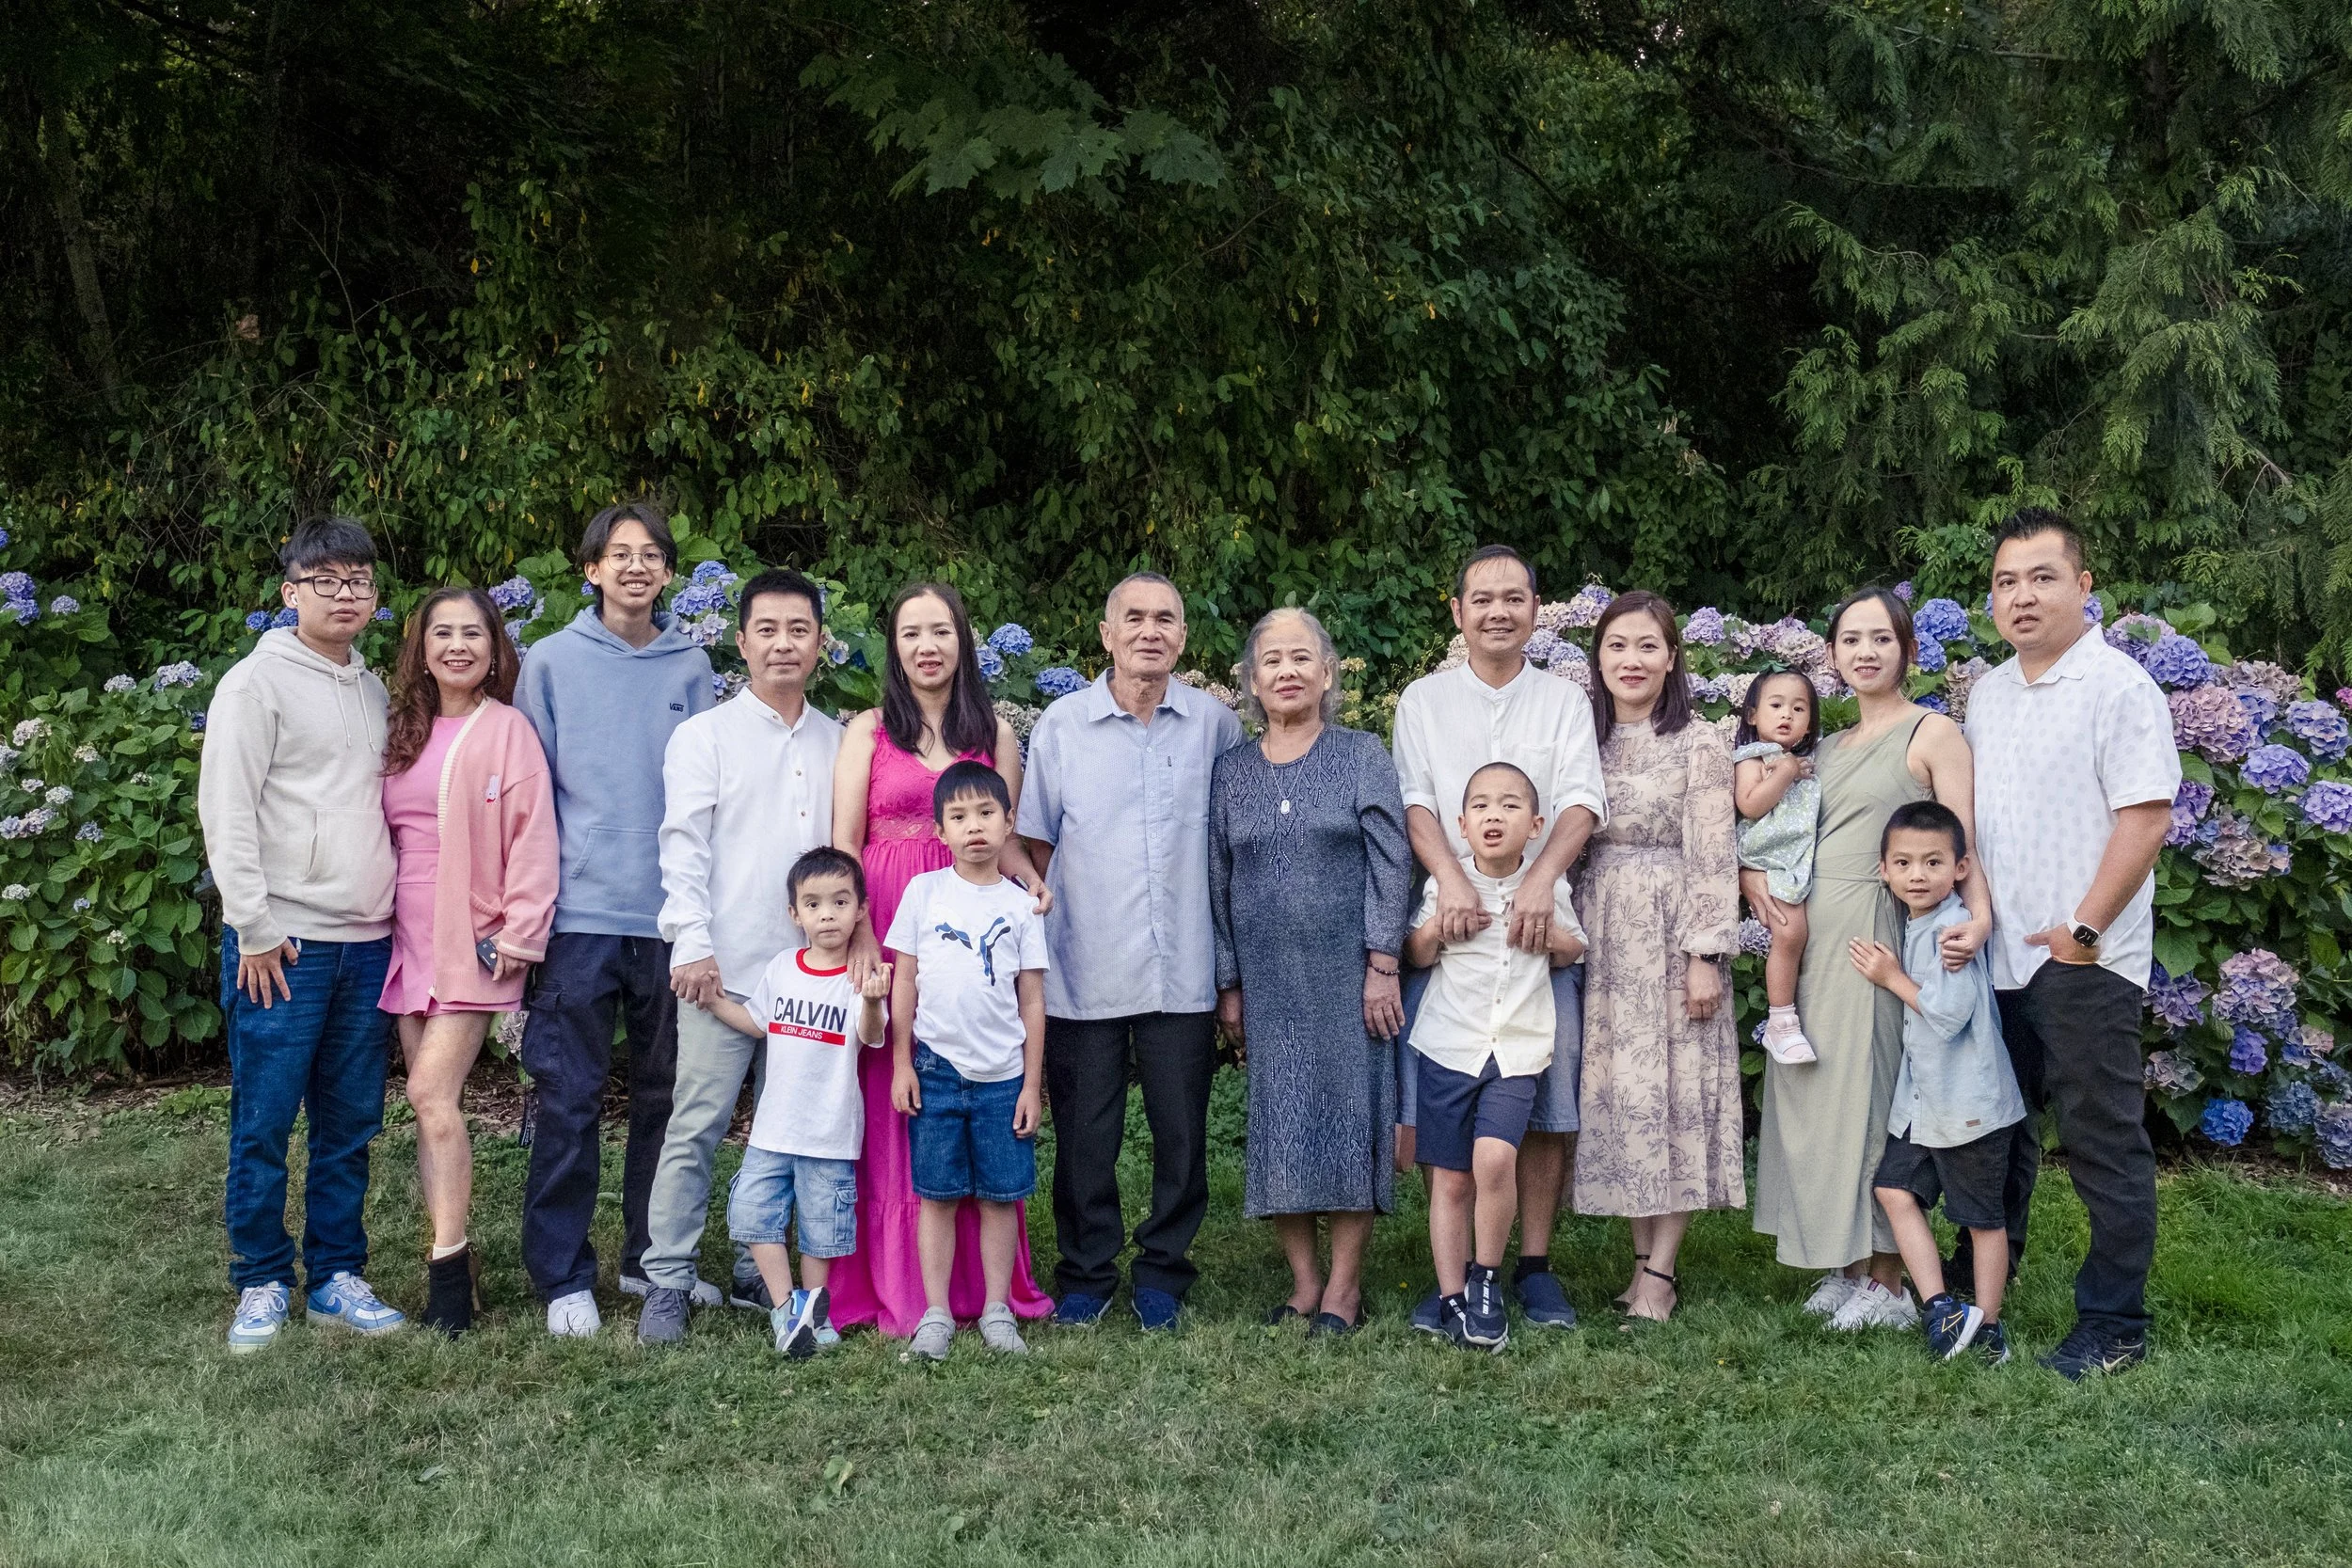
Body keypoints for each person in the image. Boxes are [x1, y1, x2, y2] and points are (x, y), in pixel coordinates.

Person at [1965, 509, 2177, 1379]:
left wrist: (2085, 928)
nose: (2023, 596)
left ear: (2084, 587)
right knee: (1997, 1133)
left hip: (2082, 959)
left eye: (2043, 577)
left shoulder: (2118, 688)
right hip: (1997, 957)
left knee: (2100, 1139)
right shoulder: (1988, 691)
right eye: (2008, 581)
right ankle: (1983, 1292)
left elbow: (2147, 815)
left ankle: (2114, 1321)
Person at [1749, 588, 1990, 1332]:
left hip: (1883, 932)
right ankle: (1845, 1261)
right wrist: (1752, 880)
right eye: (1850, 639)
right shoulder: (1821, 748)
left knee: (1873, 1091)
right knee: (1819, 1093)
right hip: (1815, 936)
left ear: (1908, 649)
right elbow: (1778, 834)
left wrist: (1979, 917)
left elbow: (1963, 841)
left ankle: (1887, 1279)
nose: (1865, 651)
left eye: (1881, 638)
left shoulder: (1931, 732)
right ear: (1831, 656)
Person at [199, 516, 407, 1351]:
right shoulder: (256, 685)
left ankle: (336, 1273)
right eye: (327, 580)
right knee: (265, 1118)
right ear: (290, 592)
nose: (346, 593)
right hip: (282, 945)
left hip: (367, 942)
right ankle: (258, 1278)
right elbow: (227, 810)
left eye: (359, 579)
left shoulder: (372, 686)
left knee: (349, 1120)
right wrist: (252, 926)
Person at [1017, 572, 1243, 1332]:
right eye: (1134, 618)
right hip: (1085, 963)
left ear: (1183, 636)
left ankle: (1164, 1271)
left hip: (1183, 967)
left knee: (1182, 1134)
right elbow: (1033, 846)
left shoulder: (1215, 725)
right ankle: (1086, 1270)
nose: (1151, 631)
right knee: (1087, 1135)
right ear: (1106, 634)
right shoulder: (1061, 726)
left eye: (1166, 619)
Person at [1391, 545, 1607, 1333]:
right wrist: (1449, 880)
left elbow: (1582, 800)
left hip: (1537, 920)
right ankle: (1456, 1281)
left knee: (1546, 1099)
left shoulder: (1562, 700)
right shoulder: (1424, 699)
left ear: (1536, 608)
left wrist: (1543, 881)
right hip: (1453, 918)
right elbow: (1416, 802)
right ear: (1457, 612)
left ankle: (1534, 1265)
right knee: (1446, 1104)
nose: (1497, 611)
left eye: (1513, 597)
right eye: (1481, 598)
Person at [829, 581, 1053, 1336]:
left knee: (972, 1088)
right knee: (899, 1103)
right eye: (910, 632)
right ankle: (903, 1289)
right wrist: (858, 929)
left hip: (975, 925)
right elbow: (842, 843)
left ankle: (983, 1296)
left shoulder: (996, 732)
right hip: (891, 922)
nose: (927, 645)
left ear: (963, 640)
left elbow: (1009, 836)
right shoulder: (866, 731)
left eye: (941, 631)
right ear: (893, 646)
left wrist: (1028, 880)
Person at [515, 500, 715, 1338]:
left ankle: (647, 1256)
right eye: (618, 554)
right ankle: (563, 1273)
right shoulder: (553, 661)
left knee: (667, 1096)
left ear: (668, 572)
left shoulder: (692, 666)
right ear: (590, 569)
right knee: (569, 1094)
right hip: (579, 915)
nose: (636, 567)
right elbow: (526, 793)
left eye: (652, 555)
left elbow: (708, 795)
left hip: (669, 918)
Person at [638, 569, 846, 1345]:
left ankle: (761, 1266)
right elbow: (682, 848)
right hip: (723, 973)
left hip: (813, 981)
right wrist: (691, 944)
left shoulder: (839, 739)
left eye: (799, 628)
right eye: (768, 629)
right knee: (696, 1125)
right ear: (742, 639)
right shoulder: (705, 737)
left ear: (819, 642)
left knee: (789, 1133)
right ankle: (668, 1275)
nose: (783, 642)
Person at [1210, 608, 1410, 1335]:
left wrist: (1383, 961)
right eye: (1272, 660)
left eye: (1303, 657)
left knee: (1352, 1122)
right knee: (1281, 1125)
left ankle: (1346, 1290)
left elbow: (1394, 863)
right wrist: (1228, 981)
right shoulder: (1231, 772)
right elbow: (1217, 877)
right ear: (1253, 681)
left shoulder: (1361, 755)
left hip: (1349, 978)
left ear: (1327, 673)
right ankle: (1304, 1284)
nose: (1287, 671)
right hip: (1269, 983)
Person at [378, 586, 559, 1335]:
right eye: (442, 633)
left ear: (494, 648)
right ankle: (449, 1252)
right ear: (422, 647)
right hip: (404, 933)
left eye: (473, 634)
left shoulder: (508, 729)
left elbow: (534, 835)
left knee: (428, 1093)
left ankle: (449, 1270)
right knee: (432, 1111)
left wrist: (520, 930)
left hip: (474, 938)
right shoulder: (404, 731)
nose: (457, 646)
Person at [1571, 591, 1741, 1323]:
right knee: (1624, 1095)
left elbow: (1713, 851)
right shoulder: (1585, 737)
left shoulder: (1699, 741)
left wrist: (1703, 951)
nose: (1631, 660)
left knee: (1676, 1093)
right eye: (1617, 646)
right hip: (1600, 929)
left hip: (1671, 927)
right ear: (1598, 658)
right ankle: (1640, 1265)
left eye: (1647, 646)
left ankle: (1663, 1275)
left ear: (1672, 657)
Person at [1401, 762, 1586, 1351]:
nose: (1493, 816)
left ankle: (1486, 1279)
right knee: (1451, 1181)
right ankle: (1450, 1294)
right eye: (1480, 805)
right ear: (1460, 824)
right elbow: (1416, 952)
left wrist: (1546, 933)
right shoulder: (1444, 884)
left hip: (1517, 1048)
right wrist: (1438, 929)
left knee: (1494, 1161)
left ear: (1535, 826)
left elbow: (1573, 951)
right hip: (1449, 1047)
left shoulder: (1547, 886)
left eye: (1509, 806)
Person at [1847, 800, 2026, 1365]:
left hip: (1970, 1105)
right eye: (1903, 863)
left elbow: (1948, 1017)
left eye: (1932, 862)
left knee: (1981, 1219)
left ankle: (1990, 1326)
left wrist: (1890, 977)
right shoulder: (1919, 922)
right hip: (1924, 1106)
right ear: (1884, 870)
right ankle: (1942, 1308)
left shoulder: (1951, 932)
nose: (1917, 875)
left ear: (1960, 869)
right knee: (1893, 1189)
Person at [884, 762, 1052, 1361]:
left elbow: (1032, 1000)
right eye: (959, 817)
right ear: (939, 830)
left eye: (986, 814)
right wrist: (902, 1062)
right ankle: (935, 1314)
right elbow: (905, 981)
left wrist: (1032, 1085)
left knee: (1001, 1197)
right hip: (934, 1069)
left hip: (1003, 1077)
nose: (974, 827)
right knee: (937, 1194)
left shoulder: (1020, 906)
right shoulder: (923, 894)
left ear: (1009, 824)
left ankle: (998, 1309)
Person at [695, 847, 890, 1358]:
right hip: (772, 1130)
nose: (827, 914)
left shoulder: (859, 976)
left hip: (828, 1132)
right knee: (754, 1213)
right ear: (794, 914)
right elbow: (757, 1022)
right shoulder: (784, 967)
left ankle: (814, 1312)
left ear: (860, 910)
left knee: (820, 1232)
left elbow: (871, 1038)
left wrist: (871, 1000)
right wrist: (716, 1002)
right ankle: (787, 1310)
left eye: (841, 902)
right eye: (814, 904)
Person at [1734, 671, 1822, 1065]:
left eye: (1799, 708)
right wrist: (1785, 772)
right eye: (1776, 705)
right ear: (1752, 714)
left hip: (1790, 860)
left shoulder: (1804, 762)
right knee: (1791, 932)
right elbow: (1750, 804)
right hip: (1764, 857)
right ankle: (1781, 1022)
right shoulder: (1752, 758)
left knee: (1797, 934)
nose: (1787, 714)